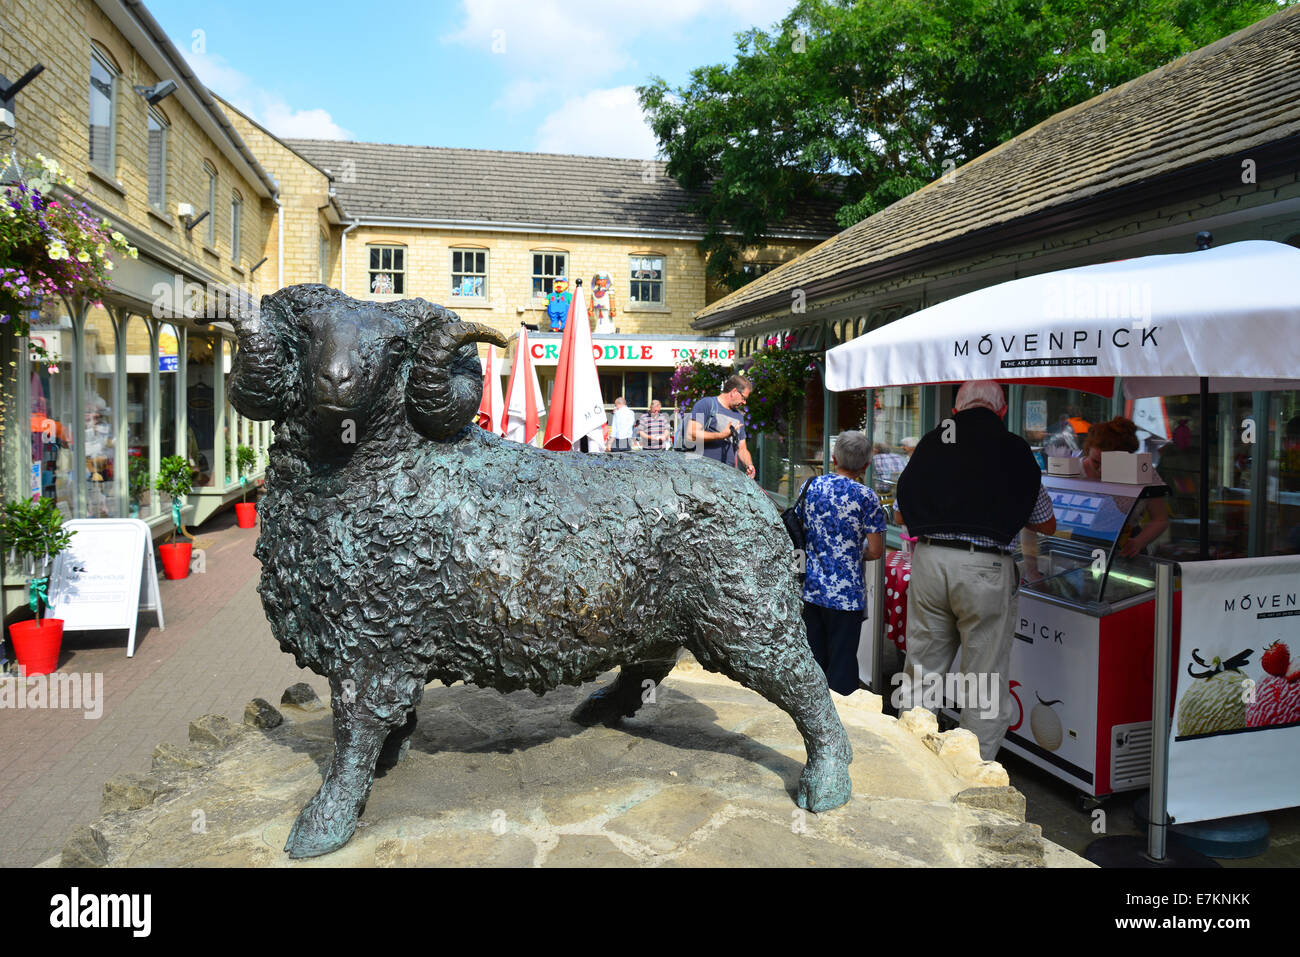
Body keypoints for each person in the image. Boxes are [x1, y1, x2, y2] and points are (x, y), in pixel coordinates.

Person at [894, 380, 1057, 761]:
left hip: (930, 561)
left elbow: (902, 512)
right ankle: (973, 768)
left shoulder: (934, 442)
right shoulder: (1015, 449)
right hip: (985, 568)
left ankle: (909, 759)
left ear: (956, 410)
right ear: (1001, 411)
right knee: (982, 678)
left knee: (921, 669)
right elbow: (1045, 522)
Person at [796, 431, 886, 695]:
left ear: (833, 458)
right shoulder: (867, 497)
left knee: (813, 660)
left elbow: (801, 529)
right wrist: (856, 553)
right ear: (866, 465)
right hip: (847, 596)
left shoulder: (810, 486)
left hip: (811, 589)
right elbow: (877, 550)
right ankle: (840, 724)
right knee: (843, 664)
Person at [1080, 416, 1171, 556]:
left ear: (1127, 457)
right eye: (1096, 462)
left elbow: (1160, 519)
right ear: (1087, 450)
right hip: (1079, 545)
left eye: (1111, 464)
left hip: (1126, 546)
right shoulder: (1074, 471)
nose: (1101, 470)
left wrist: (1139, 542)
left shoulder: (1142, 472)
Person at [687, 375, 756, 477]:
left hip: (727, 479)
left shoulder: (738, 416)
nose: (744, 402)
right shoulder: (706, 404)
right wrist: (721, 435)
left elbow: (742, 449)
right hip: (702, 475)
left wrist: (749, 465)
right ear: (734, 392)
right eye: (744, 398)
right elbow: (691, 435)